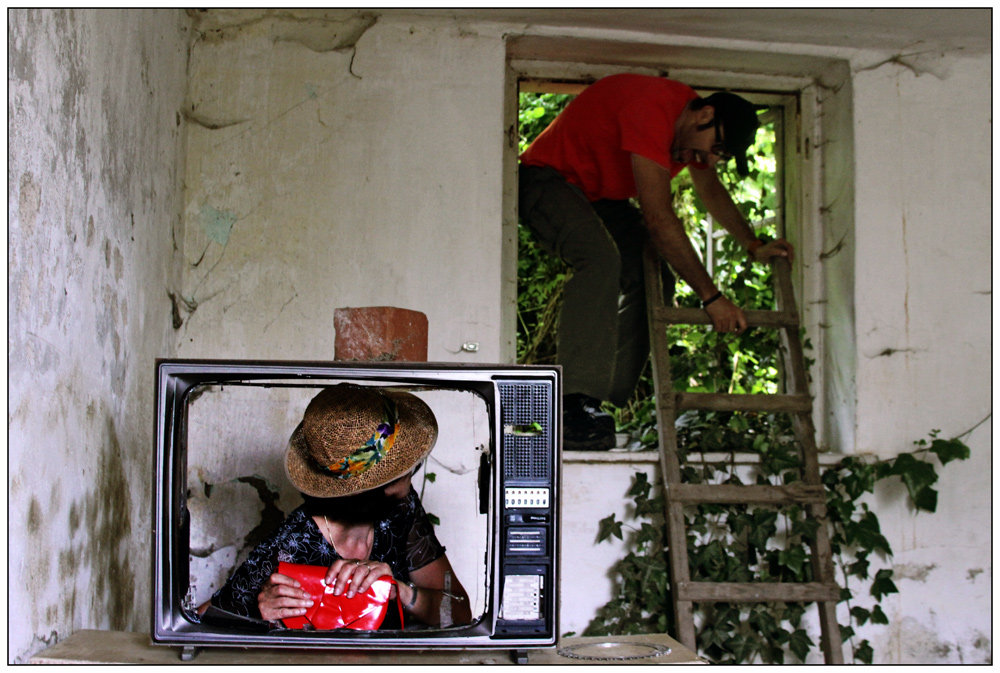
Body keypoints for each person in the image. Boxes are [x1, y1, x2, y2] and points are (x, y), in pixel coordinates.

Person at [519, 73, 795, 450]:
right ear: (704, 115)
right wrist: (712, 298)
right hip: (545, 180)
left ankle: (596, 404)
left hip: (597, 197)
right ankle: (571, 403)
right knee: (600, 260)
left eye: (720, 156)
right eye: (715, 147)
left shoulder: (691, 134)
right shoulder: (652, 108)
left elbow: (710, 190)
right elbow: (659, 219)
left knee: (656, 281)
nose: (708, 159)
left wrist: (752, 243)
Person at [201, 384, 472, 628]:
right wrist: (259, 617)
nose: (413, 470)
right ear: (380, 488)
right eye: (405, 469)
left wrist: (401, 592)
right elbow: (198, 621)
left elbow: (459, 612)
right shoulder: (291, 544)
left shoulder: (402, 507)